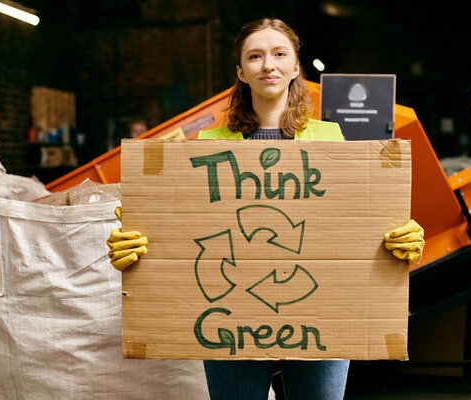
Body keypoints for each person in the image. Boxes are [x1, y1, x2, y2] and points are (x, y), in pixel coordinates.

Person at [107, 18, 424, 400]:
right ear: (241, 72)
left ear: (295, 68)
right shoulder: (207, 144)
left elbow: (352, 223)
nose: (268, 65)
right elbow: (185, 228)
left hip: (319, 310)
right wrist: (140, 241)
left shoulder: (330, 138)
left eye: (279, 54)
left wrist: (397, 237)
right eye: (254, 56)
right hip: (229, 310)